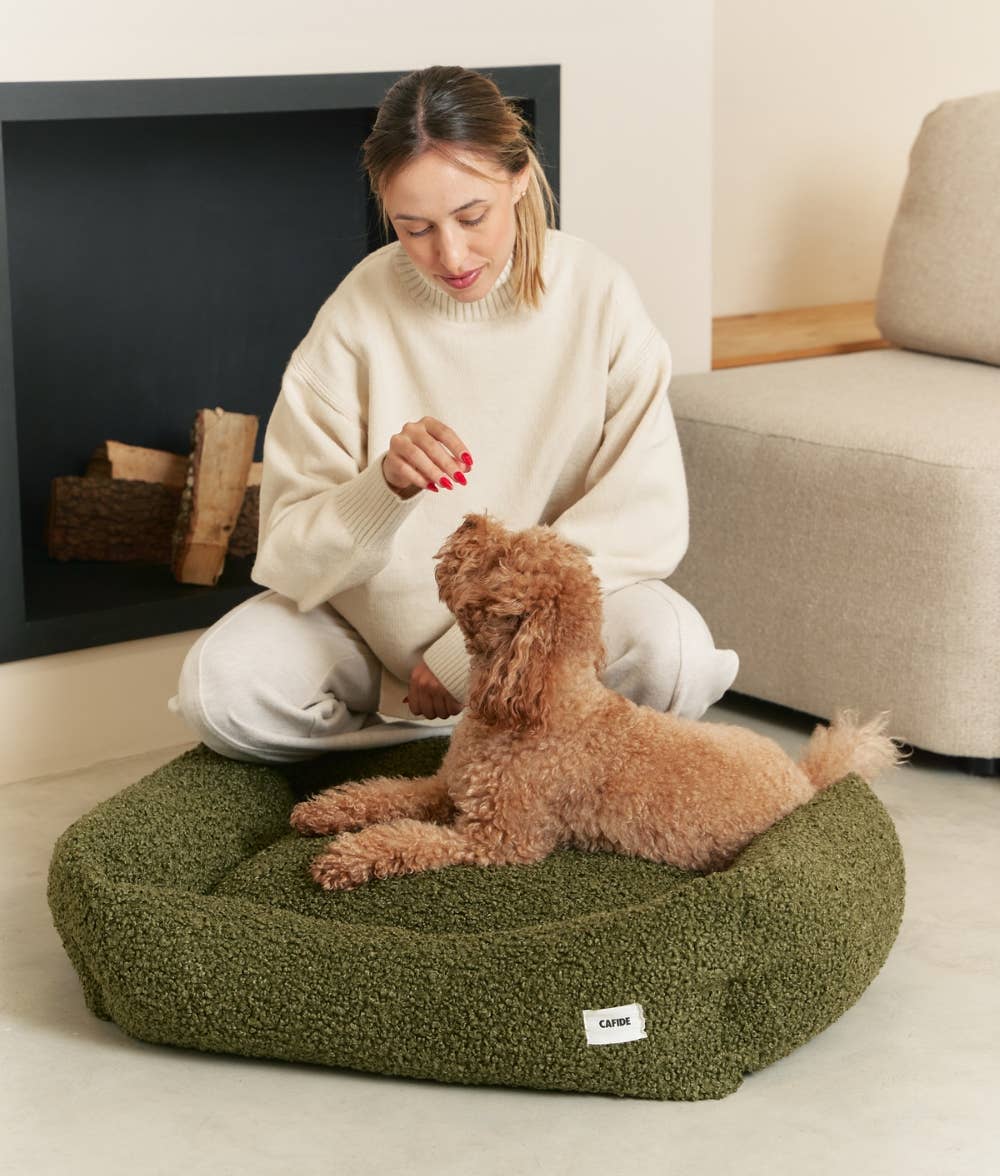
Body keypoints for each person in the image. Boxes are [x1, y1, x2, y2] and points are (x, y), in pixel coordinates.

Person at [168, 64, 738, 764]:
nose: (451, 255)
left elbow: (641, 523)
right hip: (372, 645)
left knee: (674, 657)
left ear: (518, 178)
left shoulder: (599, 297)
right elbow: (287, 553)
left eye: (472, 217)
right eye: (415, 230)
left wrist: (474, 653)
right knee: (221, 692)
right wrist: (383, 489)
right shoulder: (354, 316)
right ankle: (440, 749)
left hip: (537, 641)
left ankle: (464, 743)